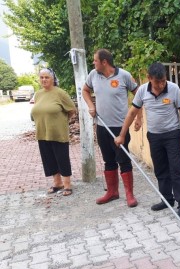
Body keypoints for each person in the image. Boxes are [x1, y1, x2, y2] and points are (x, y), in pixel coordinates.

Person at [114, 62, 180, 220]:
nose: (161, 85)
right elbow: (132, 112)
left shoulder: (174, 89)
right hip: (154, 137)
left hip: (172, 135)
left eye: (163, 81)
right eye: (157, 82)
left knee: (176, 170)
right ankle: (167, 200)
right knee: (161, 171)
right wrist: (121, 135)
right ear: (149, 79)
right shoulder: (142, 91)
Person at [82, 49, 141, 207]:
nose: (93, 63)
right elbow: (85, 91)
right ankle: (112, 192)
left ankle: (129, 194)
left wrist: (138, 118)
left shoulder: (124, 76)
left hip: (120, 128)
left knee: (123, 160)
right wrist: (90, 105)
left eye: (95, 60)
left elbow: (139, 95)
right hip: (102, 126)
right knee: (108, 160)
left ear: (104, 62)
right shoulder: (93, 75)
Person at [31, 68, 76, 196]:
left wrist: (62, 121)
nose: (44, 80)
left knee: (62, 159)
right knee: (49, 159)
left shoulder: (60, 93)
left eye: (47, 77)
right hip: (42, 132)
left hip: (58, 133)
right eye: (42, 77)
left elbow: (72, 109)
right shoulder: (38, 94)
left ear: (53, 79)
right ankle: (57, 183)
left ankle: (67, 185)